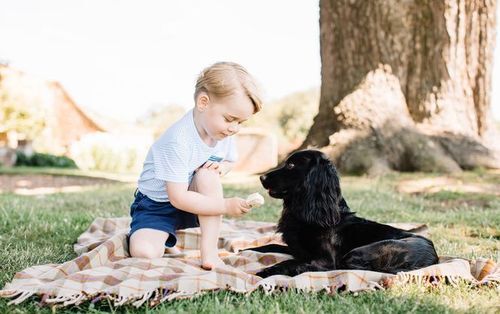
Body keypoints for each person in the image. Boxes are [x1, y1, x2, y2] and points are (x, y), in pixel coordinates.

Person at [129, 61, 263, 270]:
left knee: (208, 176)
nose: (234, 128)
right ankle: (161, 236)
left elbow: (228, 160)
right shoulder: (178, 141)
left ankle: (209, 254)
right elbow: (178, 197)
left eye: (240, 122)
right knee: (144, 253)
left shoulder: (221, 132)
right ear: (203, 102)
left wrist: (222, 168)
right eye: (230, 119)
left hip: (195, 200)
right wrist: (226, 205)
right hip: (157, 206)